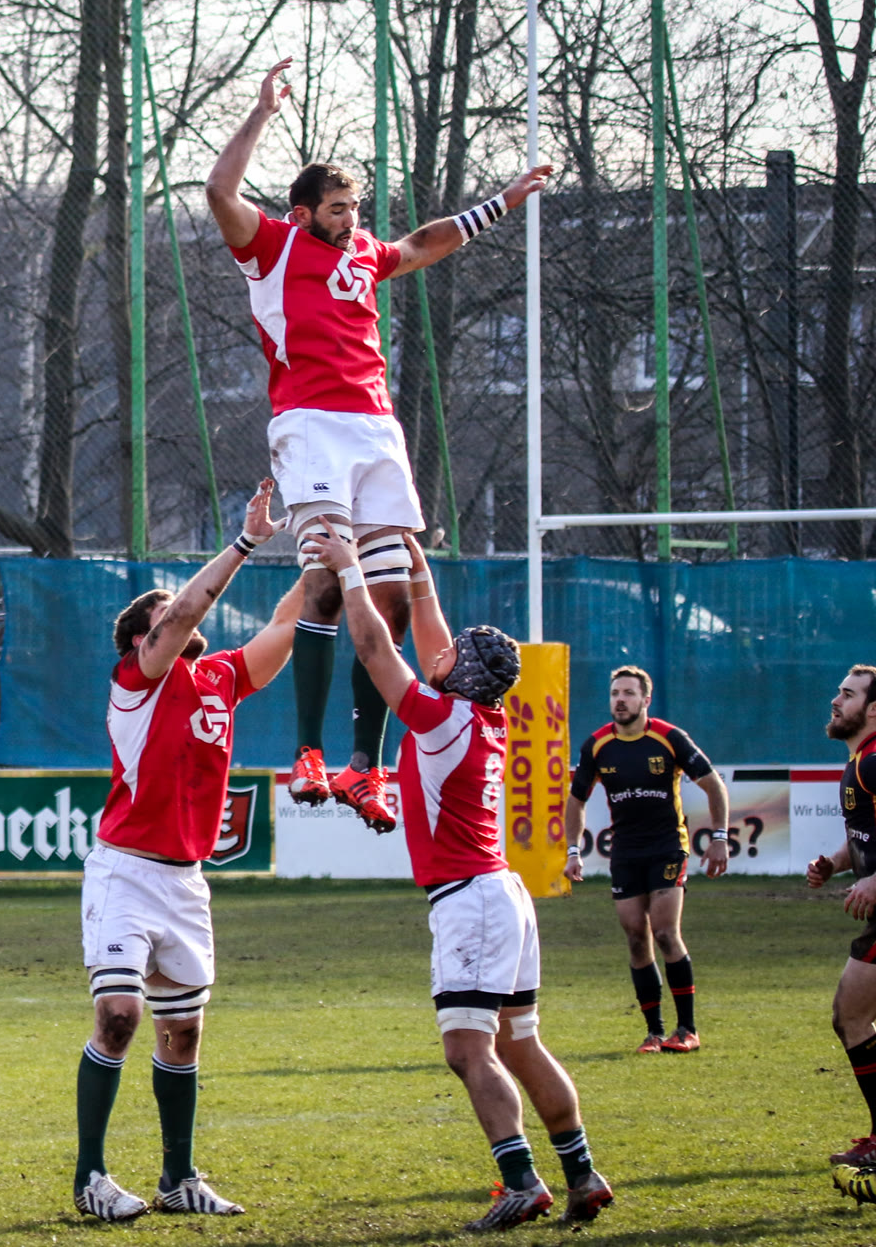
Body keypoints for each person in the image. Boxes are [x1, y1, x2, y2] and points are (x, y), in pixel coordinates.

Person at [206, 57, 553, 832]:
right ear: (302, 213)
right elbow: (220, 193)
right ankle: (308, 752)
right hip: (311, 424)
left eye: (355, 207)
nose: (351, 219)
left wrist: (502, 202)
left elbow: (424, 243)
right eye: (337, 208)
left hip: (375, 428)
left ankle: (366, 765)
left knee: (389, 593)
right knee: (327, 579)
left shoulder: (364, 252)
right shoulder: (272, 248)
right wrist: (261, 114)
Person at [307, 532, 611, 1230]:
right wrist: (419, 573)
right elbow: (437, 642)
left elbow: (375, 650)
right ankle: (582, 1173)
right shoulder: (483, 713)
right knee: (520, 1043)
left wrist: (350, 570)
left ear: (460, 671)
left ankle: (521, 1181)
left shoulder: (442, 717)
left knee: (467, 1050)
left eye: (449, 654)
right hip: (503, 895)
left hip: (470, 899)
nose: (437, 653)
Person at [73, 480, 298, 1221]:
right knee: (119, 1015)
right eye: (162, 611)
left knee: (184, 1030)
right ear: (140, 638)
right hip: (125, 870)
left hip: (185, 879)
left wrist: (328, 551)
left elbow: (286, 625)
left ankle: (178, 1179)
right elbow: (184, 615)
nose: (178, 610)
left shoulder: (221, 677)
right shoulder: (136, 679)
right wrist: (245, 542)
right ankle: (90, 1178)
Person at [564, 665, 729, 1053]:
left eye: (628, 693)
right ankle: (654, 1032)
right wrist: (573, 850)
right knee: (636, 938)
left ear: (645, 700)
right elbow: (576, 801)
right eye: (614, 693)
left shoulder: (669, 738)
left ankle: (687, 1030)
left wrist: (719, 837)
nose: (620, 700)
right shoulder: (596, 746)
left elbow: (714, 785)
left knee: (665, 933)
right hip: (625, 852)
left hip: (668, 846)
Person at [805, 666, 876, 1194]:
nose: (836, 701)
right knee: (850, 1017)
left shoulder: (873, 762)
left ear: (873, 710)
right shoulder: (860, 761)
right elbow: (866, 838)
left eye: (847, 695)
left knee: (850, 1015)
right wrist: (836, 861)